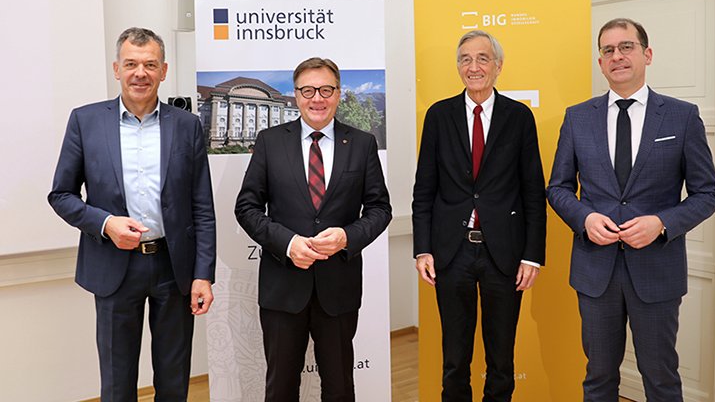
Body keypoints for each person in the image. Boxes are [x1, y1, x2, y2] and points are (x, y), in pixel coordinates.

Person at [547, 18, 715, 401]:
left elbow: (708, 193)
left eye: (626, 47)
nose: (617, 56)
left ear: (647, 54)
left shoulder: (680, 116)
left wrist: (662, 222)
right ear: (600, 62)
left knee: (660, 379)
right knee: (598, 379)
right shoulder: (578, 117)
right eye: (608, 50)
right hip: (596, 273)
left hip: (656, 271)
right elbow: (558, 188)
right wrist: (585, 218)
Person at [48, 27, 216, 400]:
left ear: (164, 70)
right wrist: (105, 224)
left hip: (174, 268)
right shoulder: (85, 121)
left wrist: (203, 275)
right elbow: (60, 195)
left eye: (150, 65)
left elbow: (202, 207)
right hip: (112, 266)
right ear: (116, 69)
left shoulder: (187, 125)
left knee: (174, 380)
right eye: (132, 64)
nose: (141, 73)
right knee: (117, 381)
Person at [234, 57, 392, 402]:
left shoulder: (362, 144)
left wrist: (348, 237)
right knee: (280, 388)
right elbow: (246, 208)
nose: (317, 98)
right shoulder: (270, 141)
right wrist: (287, 243)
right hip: (283, 286)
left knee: (339, 387)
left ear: (338, 94)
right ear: (296, 95)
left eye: (325, 90)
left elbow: (381, 209)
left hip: (339, 288)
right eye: (308, 90)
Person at [412, 30, 547, 401]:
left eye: (482, 58)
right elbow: (424, 189)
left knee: (501, 358)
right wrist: (422, 248)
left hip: (503, 254)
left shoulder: (518, 117)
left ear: (498, 66)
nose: (474, 67)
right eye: (465, 59)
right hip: (451, 253)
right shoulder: (438, 115)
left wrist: (532, 255)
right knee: (454, 359)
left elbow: (533, 191)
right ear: (458, 67)